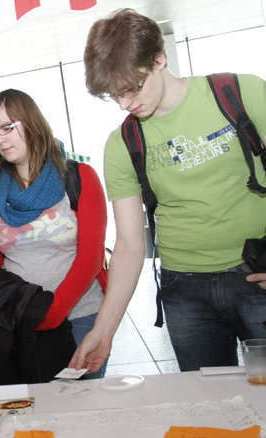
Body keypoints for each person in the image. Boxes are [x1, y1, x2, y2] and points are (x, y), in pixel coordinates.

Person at [76, 8, 266, 373]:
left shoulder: (241, 93)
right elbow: (131, 245)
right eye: (114, 95)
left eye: (132, 88)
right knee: (211, 407)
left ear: (159, 58)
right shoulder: (123, 143)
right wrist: (105, 329)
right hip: (185, 290)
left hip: (256, 272)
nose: (124, 104)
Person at [0, 89, 108, 378]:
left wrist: (50, 314)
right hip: (18, 323)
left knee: (83, 410)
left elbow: (91, 257)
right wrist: (21, 315)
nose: (0, 139)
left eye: (7, 127)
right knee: (31, 414)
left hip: (80, 318)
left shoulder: (79, 177)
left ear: (32, 122)